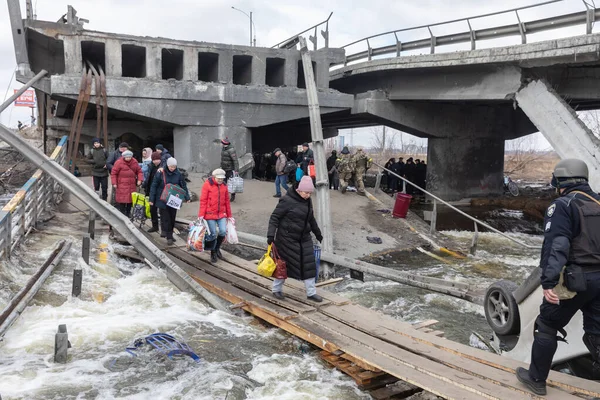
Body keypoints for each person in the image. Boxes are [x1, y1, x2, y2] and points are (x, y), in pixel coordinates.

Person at [516, 159, 600, 396]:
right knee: (596, 332)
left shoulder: (563, 205)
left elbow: (557, 246)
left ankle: (536, 379)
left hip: (576, 280)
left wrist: (549, 281)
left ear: (560, 181)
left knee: (547, 325)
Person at [267, 176, 323, 302]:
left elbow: (310, 218)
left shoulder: (307, 201)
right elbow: (274, 217)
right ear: (299, 190)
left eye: (310, 193)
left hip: (304, 238)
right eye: (306, 192)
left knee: (309, 265)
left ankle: (311, 293)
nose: (308, 195)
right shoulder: (287, 200)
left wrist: (317, 233)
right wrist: (270, 235)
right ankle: (276, 289)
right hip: (287, 239)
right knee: (283, 265)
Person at [149, 157, 190, 245]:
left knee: (172, 218)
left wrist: (187, 197)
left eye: (174, 166)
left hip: (174, 199)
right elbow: (154, 186)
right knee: (166, 218)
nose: (172, 168)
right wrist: (151, 199)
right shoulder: (160, 173)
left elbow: (183, 185)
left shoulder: (178, 174)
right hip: (162, 199)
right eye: (171, 166)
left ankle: (169, 233)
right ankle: (169, 237)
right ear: (167, 165)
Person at [198, 168, 232, 262]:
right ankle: (213, 252)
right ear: (214, 177)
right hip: (209, 214)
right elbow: (203, 201)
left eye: (222, 179)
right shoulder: (207, 184)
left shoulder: (224, 186)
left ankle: (217, 248)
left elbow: (227, 201)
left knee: (222, 231)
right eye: (219, 179)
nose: (220, 180)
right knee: (212, 234)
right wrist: (201, 215)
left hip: (221, 213)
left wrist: (229, 215)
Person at [110, 150, 143, 218]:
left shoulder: (134, 162)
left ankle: (128, 214)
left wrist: (140, 179)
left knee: (130, 200)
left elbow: (139, 171)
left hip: (131, 185)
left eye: (129, 157)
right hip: (122, 185)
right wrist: (114, 183)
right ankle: (122, 215)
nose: (128, 158)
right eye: (126, 157)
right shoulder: (118, 162)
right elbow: (113, 173)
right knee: (122, 201)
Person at [143, 151, 162, 233]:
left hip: (161, 191)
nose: (155, 161)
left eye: (157, 159)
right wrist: (145, 185)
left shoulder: (163, 167)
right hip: (151, 190)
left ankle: (165, 229)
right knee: (152, 209)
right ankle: (155, 226)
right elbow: (149, 177)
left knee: (162, 211)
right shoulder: (150, 166)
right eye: (154, 160)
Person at [220, 138, 239, 202]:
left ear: (226, 144)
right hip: (224, 169)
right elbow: (223, 159)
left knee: (231, 183)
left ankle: (233, 195)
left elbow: (235, 161)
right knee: (223, 183)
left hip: (230, 169)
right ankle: (224, 196)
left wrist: (236, 170)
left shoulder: (231, 150)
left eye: (223, 143)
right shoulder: (223, 149)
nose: (222, 144)